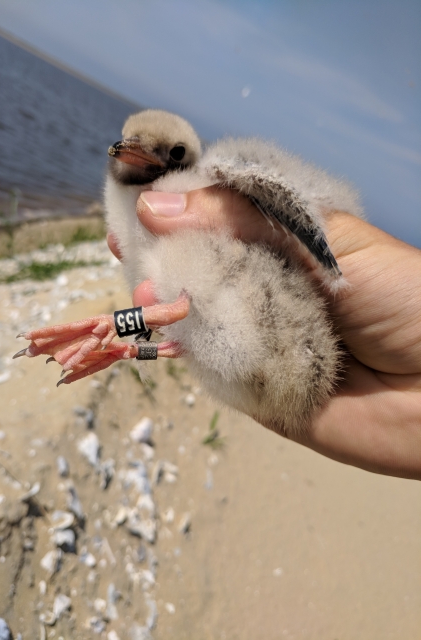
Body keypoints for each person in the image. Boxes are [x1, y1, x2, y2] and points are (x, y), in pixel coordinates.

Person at [107, 186, 421, 480]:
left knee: (173, 313)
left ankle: (115, 331)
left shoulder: (195, 203)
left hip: (289, 362)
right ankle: (124, 345)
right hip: (292, 382)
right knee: (176, 335)